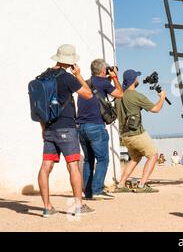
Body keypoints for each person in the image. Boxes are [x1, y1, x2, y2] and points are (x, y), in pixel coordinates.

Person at [38, 44, 95, 217]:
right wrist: (78, 75)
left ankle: (47, 207)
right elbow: (89, 95)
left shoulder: (41, 77)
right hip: (67, 128)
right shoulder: (67, 78)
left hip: (48, 127)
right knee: (73, 166)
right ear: (70, 61)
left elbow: (39, 107)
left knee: (45, 166)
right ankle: (78, 206)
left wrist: (43, 128)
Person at [77, 59, 123, 201]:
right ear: (104, 70)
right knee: (103, 159)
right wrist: (114, 77)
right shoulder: (104, 83)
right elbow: (120, 93)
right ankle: (97, 190)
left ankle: (89, 193)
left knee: (88, 161)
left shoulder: (85, 82)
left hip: (81, 127)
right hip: (95, 126)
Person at [114, 70, 166, 193]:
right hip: (137, 133)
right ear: (133, 80)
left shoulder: (118, 96)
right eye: (137, 77)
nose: (138, 80)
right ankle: (142, 185)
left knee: (135, 158)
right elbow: (156, 109)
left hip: (125, 135)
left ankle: (121, 185)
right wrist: (162, 97)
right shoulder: (136, 96)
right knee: (153, 155)